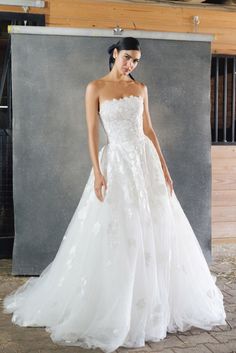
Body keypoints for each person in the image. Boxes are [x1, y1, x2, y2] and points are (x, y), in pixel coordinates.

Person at [3, 36, 227, 353]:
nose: (130, 64)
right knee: (119, 228)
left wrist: (164, 168)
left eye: (136, 60)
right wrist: (97, 171)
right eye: (126, 58)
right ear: (114, 54)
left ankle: (152, 305)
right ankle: (118, 304)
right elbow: (92, 132)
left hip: (144, 162)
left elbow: (148, 129)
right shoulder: (95, 87)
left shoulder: (140, 89)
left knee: (155, 228)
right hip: (117, 163)